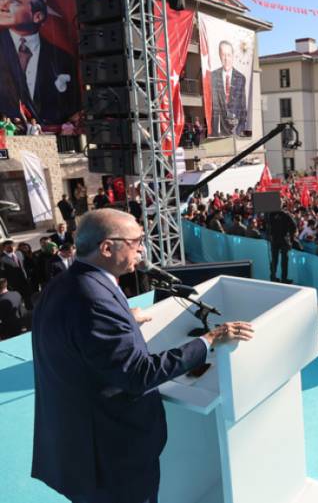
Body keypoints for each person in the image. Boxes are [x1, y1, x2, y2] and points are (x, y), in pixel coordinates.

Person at [30, 208, 255, 503]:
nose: (142, 249)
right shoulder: (95, 301)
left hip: (76, 444)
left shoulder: (66, 283)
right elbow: (139, 375)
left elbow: (76, 336)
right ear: (107, 247)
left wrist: (125, 317)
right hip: (110, 458)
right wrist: (209, 339)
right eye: (136, 241)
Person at [0, 0, 78, 125]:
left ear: (37, 16)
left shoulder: (62, 58)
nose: (3, 7)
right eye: (0, 0)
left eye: (14, 2)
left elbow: (70, 106)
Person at [210, 40, 247, 136]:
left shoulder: (240, 78)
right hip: (218, 132)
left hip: (235, 130)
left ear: (233, 55)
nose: (226, 58)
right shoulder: (213, 76)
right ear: (219, 55)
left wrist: (239, 130)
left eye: (228, 55)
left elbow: (243, 107)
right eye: (223, 55)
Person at [267, 205, 296, 283]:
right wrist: (291, 236)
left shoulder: (271, 215)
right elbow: (294, 226)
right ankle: (284, 278)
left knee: (274, 259)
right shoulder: (286, 215)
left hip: (275, 239)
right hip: (284, 239)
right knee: (284, 261)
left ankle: (273, 277)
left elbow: (267, 226)